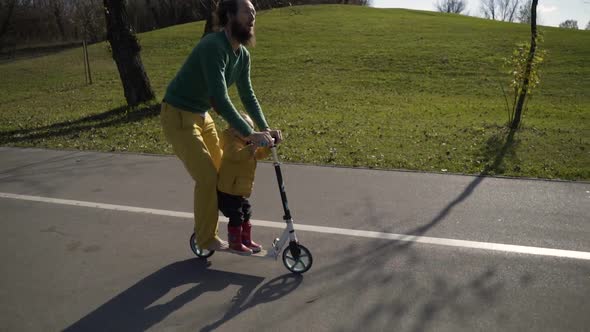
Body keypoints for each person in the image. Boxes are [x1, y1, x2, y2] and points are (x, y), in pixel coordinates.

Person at [160, 0, 282, 251]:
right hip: (178, 114)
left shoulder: (243, 55)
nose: (252, 18)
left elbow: (247, 95)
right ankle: (206, 238)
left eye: (255, 15)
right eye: (247, 12)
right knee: (206, 178)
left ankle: (233, 231)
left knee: (221, 174)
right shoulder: (212, 46)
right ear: (229, 16)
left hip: (201, 115)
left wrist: (266, 129)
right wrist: (250, 133)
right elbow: (220, 97)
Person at [217, 114, 270, 255]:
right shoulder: (230, 142)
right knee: (236, 216)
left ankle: (245, 239)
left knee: (246, 212)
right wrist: (253, 146)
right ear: (234, 130)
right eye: (246, 129)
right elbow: (236, 156)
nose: (250, 132)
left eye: (251, 129)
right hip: (228, 189)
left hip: (238, 189)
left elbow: (259, 154)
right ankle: (235, 243)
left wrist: (268, 146)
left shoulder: (246, 142)